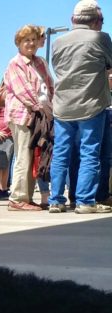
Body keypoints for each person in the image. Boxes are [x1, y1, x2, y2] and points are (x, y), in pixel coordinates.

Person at [48, 2, 112, 214]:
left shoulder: (58, 42)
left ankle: (56, 200)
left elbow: (57, 68)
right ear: (95, 21)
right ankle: (85, 201)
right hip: (91, 104)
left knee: (60, 153)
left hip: (63, 106)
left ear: (73, 19)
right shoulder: (101, 38)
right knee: (89, 153)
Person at [4, 25, 53, 211]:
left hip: (41, 114)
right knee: (24, 155)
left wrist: (51, 107)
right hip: (24, 115)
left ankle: (27, 197)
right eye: (26, 40)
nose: (31, 43)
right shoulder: (15, 63)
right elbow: (23, 90)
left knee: (34, 156)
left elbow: (49, 86)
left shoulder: (40, 62)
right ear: (19, 43)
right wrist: (41, 108)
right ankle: (17, 198)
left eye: (33, 39)